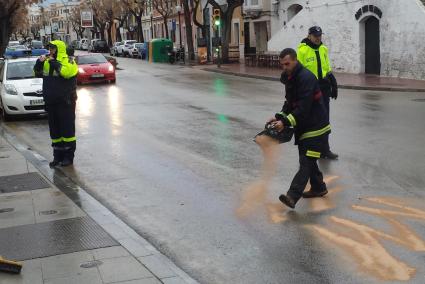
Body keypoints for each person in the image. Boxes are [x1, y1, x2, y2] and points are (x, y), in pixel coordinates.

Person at [268, 48, 330, 209]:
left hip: (316, 127)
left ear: (295, 60)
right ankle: (319, 187)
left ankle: (292, 196)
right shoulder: (291, 78)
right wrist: (279, 117)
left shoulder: (306, 78)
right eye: (282, 64)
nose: (284, 67)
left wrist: (285, 122)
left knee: (306, 162)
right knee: (309, 159)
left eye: (287, 64)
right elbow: (289, 103)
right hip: (304, 127)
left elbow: (303, 107)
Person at [33, 40, 78, 167]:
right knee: (55, 132)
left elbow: (66, 73)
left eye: (52, 48)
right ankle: (57, 156)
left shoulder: (69, 61)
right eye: (49, 48)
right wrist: (39, 63)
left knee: (67, 131)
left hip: (65, 102)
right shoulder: (47, 61)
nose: (50, 50)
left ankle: (68, 157)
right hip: (51, 102)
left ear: (59, 49)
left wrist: (53, 62)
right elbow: (37, 73)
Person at [297, 26, 338, 160]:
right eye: (315, 36)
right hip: (310, 90)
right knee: (312, 120)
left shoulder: (323, 49)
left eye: (319, 35)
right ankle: (311, 150)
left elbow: (327, 68)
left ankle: (325, 150)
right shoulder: (302, 51)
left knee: (325, 120)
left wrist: (333, 82)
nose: (318, 38)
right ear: (309, 36)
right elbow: (298, 73)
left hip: (324, 88)